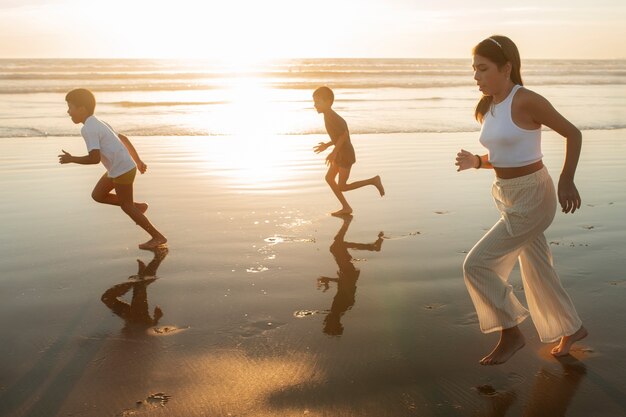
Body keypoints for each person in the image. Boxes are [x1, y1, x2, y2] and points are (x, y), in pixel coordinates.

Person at [455, 36, 587, 365]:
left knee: (477, 264)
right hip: (507, 195)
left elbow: (573, 133)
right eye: (474, 70)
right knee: (538, 268)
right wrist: (478, 162)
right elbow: (504, 154)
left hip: (534, 196)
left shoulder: (526, 100)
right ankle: (571, 328)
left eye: (483, 69)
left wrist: (566, 178)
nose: (476, 76)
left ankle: (511, 332)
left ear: (506, 67)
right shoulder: (489, 107)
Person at [60, 88, 167, 249]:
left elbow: (94, 158)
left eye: (70, 107)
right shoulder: (98, 122)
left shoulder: (88, 128)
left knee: (126, 206)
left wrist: (71, 159)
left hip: (122, 169)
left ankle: (157, 237)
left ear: (81, 109)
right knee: (98, 195)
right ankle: (138, 207)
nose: (68, 112)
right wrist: (137, 161)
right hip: (119, 167)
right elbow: (123, 138)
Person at [313, 86, 385, 215]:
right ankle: (346, 207)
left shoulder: (332, 116)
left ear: (328, 102)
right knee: (329, 178)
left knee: (342, 186)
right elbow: (338, 137)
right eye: (314, 102)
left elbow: (344, 135)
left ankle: (373, 181)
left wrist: (333, 152)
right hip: (340, 152)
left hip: (345, 154)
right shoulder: (327, 115)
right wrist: (327, 145)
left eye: (318, 102)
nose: (315, 105)